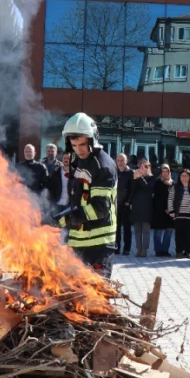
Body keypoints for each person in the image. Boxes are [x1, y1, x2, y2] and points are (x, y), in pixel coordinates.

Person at [60, 112, 118, 277]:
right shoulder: (80, 162)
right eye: (74, 145)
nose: (79, 150)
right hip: (78, 241)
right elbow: (78, 199)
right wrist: (61, 217)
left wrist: (71, 218)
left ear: (92, 139)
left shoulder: (103, 166)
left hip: (99, 244)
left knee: (95, 297)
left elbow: (100, 208)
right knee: (73, 296)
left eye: (83, 145)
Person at [171, 168, 190, 259]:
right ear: (179, 177)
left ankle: (188, 252)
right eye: (182, 176)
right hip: (179, 215)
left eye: (186, 176)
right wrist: (172, 211)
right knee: (179, 234)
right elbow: (170, 199)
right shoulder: (175, 187)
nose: (184, 178)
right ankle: (179, 252)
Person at [129, 159, 155, 257]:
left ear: (149, 168)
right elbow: (133, 190)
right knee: (137, 230)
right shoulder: (137, 177)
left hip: (147, 206)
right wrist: (135, 179)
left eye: (145, 167)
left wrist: (139, 178)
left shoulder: (152, 178)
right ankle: (138, 248)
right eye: (141, 167)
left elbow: (148, 187)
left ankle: (144, 249)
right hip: (136, 205)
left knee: (145, 230)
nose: (142, 169)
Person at [151, 165, 175, 257]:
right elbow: (155, 198)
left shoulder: (173, 184)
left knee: (168, 232)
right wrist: (163, 208)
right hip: (159, 211)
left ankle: (165, 250)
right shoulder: (157, 183)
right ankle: (158, 250)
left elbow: (174, 198)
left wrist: (170, 209)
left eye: (167, 171)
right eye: (163, 171)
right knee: (158, 232)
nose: (165, 173)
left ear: (169, 172)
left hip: (170, 212)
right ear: (161, 173)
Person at [115, 153, 133, 256]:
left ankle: (127, 248)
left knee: (127, 228)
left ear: (126, 161)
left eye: (122, 160)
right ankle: (117, 248)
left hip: (126, 205)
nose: (120, 163)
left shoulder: (130, 173)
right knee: (116, 228)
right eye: (118, 160)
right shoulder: (115, 172)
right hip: (116, 204)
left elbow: (132, 189)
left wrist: (128, 202)